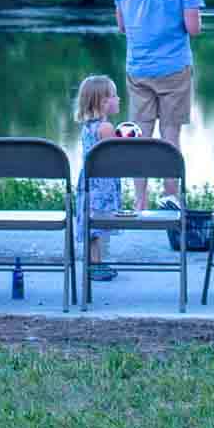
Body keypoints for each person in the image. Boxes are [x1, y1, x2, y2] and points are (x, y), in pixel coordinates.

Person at [114, 0, 204, 209]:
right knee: (170, 135)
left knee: (139, 136)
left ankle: (140, 203)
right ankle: (171, 198)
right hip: (174, 70)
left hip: (137, 69)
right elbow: (193, 29)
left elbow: (123, 26)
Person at [75, 74, 124, 285]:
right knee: (98, 225)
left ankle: (95, 263)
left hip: (88, 181)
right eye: (114, 95)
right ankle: (94, 266)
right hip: (101, 184)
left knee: (93, 226)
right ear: (103, 102)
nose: (119, 99)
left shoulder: (87, 126)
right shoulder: (106, 128)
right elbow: (115, 155)